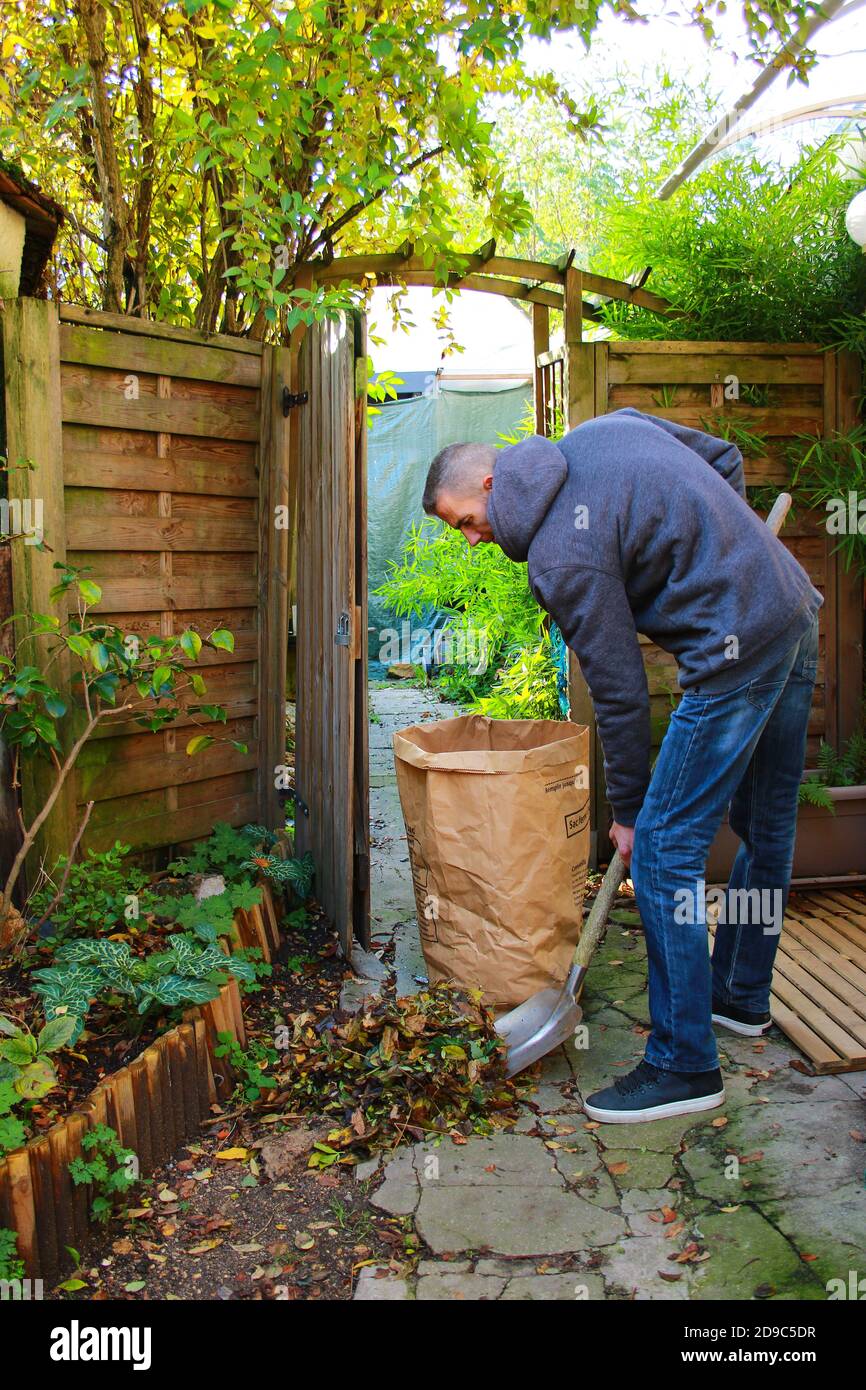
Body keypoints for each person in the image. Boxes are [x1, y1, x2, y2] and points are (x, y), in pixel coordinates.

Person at [422, 408, 822, 1123]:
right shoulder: (610, 428)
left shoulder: (556, 555)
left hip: (738, 650)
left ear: (491, 480)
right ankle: (738, 998)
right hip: (790, 609)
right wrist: (735, 558)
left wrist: (631, 814)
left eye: (467, 521)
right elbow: (724, 459)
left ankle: (682, 1063)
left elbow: (618, 690)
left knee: (665, 852)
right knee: (765, 825)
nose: (475, 539)